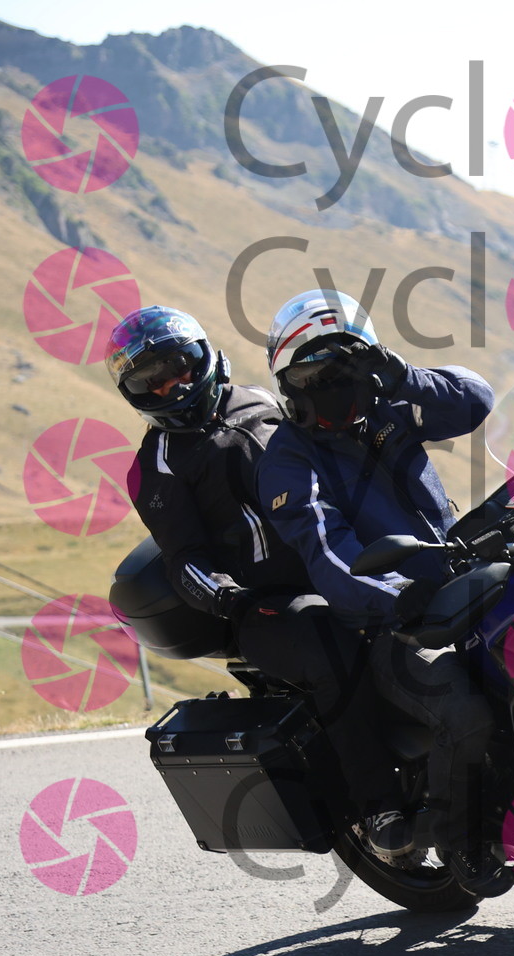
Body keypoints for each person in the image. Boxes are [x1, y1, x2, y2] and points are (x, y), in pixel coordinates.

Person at [107, 305, 412, 859]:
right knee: (329, 645)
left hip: (342, 558)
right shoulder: (156, 465)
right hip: (271, 603)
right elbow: (183, 559)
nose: (173, 387)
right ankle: (379, 806)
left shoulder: (262, 400)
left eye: (178, 367)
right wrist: (230, 597)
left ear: (203, 356)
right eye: (151, 382)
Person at [254, 289, 507, 894]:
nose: (332, 387)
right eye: (314, 376)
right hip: (391, 626)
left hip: (462, 587)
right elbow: (328, 552)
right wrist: (396, 596)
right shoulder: (289, 459)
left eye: (345, 369)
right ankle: (461, 839)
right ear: (289, 385)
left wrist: (404, 375)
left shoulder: (393, 408)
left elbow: (476, 402)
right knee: (466, 713)